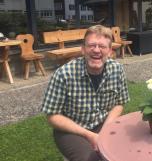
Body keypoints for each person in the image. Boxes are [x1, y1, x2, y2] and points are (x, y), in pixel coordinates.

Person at [41, 25, 130, 161]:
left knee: (125, 152)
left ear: (110, 51)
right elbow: (52, 115)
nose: (96, 50)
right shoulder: (64, 74)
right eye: (91, 45)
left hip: (103, 123)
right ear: (83, 49)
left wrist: (105, 130)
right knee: (91, 159)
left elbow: (119, 104)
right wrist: (89, 135)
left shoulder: (117, 70)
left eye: (102, 46)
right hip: (72, 129)